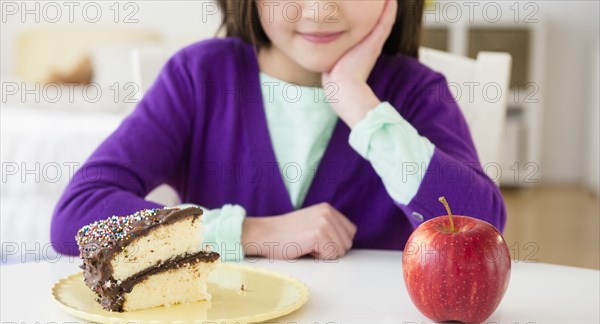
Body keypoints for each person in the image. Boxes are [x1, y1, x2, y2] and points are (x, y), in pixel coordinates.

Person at [51, 0, 506, 262]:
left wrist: (360, 106)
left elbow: (481, 227)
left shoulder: (413, 91)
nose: (320, 9)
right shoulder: (199, 78)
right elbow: (78, 217)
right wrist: (250, 232)